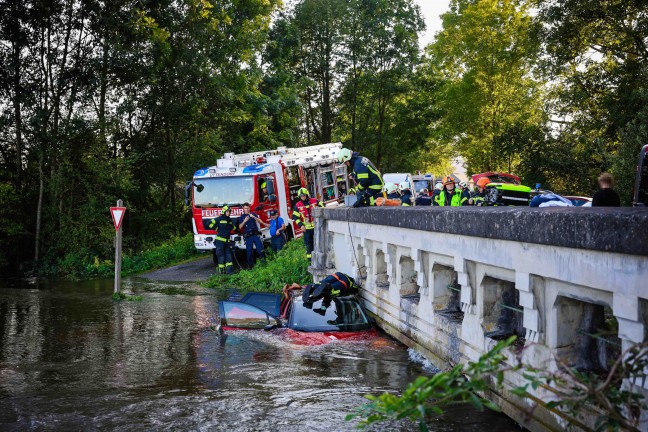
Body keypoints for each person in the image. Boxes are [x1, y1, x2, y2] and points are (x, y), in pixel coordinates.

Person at [285, 272, 359, 315]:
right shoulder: (350, 292)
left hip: (340, 277)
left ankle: (314, 288)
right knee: (330, 290)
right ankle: (315, 291)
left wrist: (322, 309)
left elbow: (327, 298)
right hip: (346, 280)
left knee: (325, 287)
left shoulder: (350, 292)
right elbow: (328, 297)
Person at [292, 187, 323, 259]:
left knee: (319, 243)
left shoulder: (314, 201)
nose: (303, 197)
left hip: (316, 227)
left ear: (307, 194)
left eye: (304, 195)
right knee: (309, 245)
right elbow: (295, 217)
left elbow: (323, 205)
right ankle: (310, 261)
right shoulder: (298, 205)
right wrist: (301, 225)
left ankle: (320, 259)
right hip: (307, 229)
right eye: (301, 196)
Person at [238, 202, 268, 268]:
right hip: (248, 237)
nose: (247, 209)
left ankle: (264, 264)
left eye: (248, 208)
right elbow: (240, 227)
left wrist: (254, 217)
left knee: (260, 250)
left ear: (249, 208)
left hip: (255, 235)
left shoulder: (253, 214)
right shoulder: (242, 217)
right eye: (245, 208)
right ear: (243, 209)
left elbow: (260, 221)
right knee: (249, 252)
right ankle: (250, 266)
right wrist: (244, 221)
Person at [208, 205, 236, 274]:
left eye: (229, 212)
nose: (229, 213)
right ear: (224, 211)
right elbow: (208, 223)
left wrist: (240, 230)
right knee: (221, 257)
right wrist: (216, 228)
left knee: (229, 256)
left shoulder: (229, 220)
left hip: (227, 242)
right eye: (228, 211)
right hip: (219, 242)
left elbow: (234, 228)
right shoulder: (219, 219)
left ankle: (230, 272)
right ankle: (221, 273)